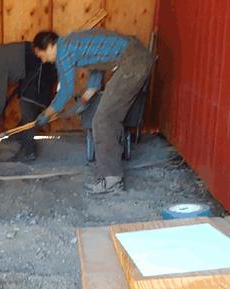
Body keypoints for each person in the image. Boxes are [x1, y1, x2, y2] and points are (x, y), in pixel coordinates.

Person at [32, 29, 153, 194]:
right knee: (107, 117)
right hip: (136, 56)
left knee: (103, 120)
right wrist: (86, 98)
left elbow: (66, 90)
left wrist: (46, 114)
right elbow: (98, 65)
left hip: (133, 61)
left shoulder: (63, 50)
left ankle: (111, 180)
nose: (43, 60)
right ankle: (112, 176)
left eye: (41, 55)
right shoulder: (73, 42)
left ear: (49, 46)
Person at [0, 42, 56, 161]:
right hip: (34, 64)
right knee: (27, 105)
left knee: (27, 104)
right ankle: (16, 142)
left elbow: (0, 101)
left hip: (40, 62)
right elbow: (3, 95)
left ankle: (29, 153)